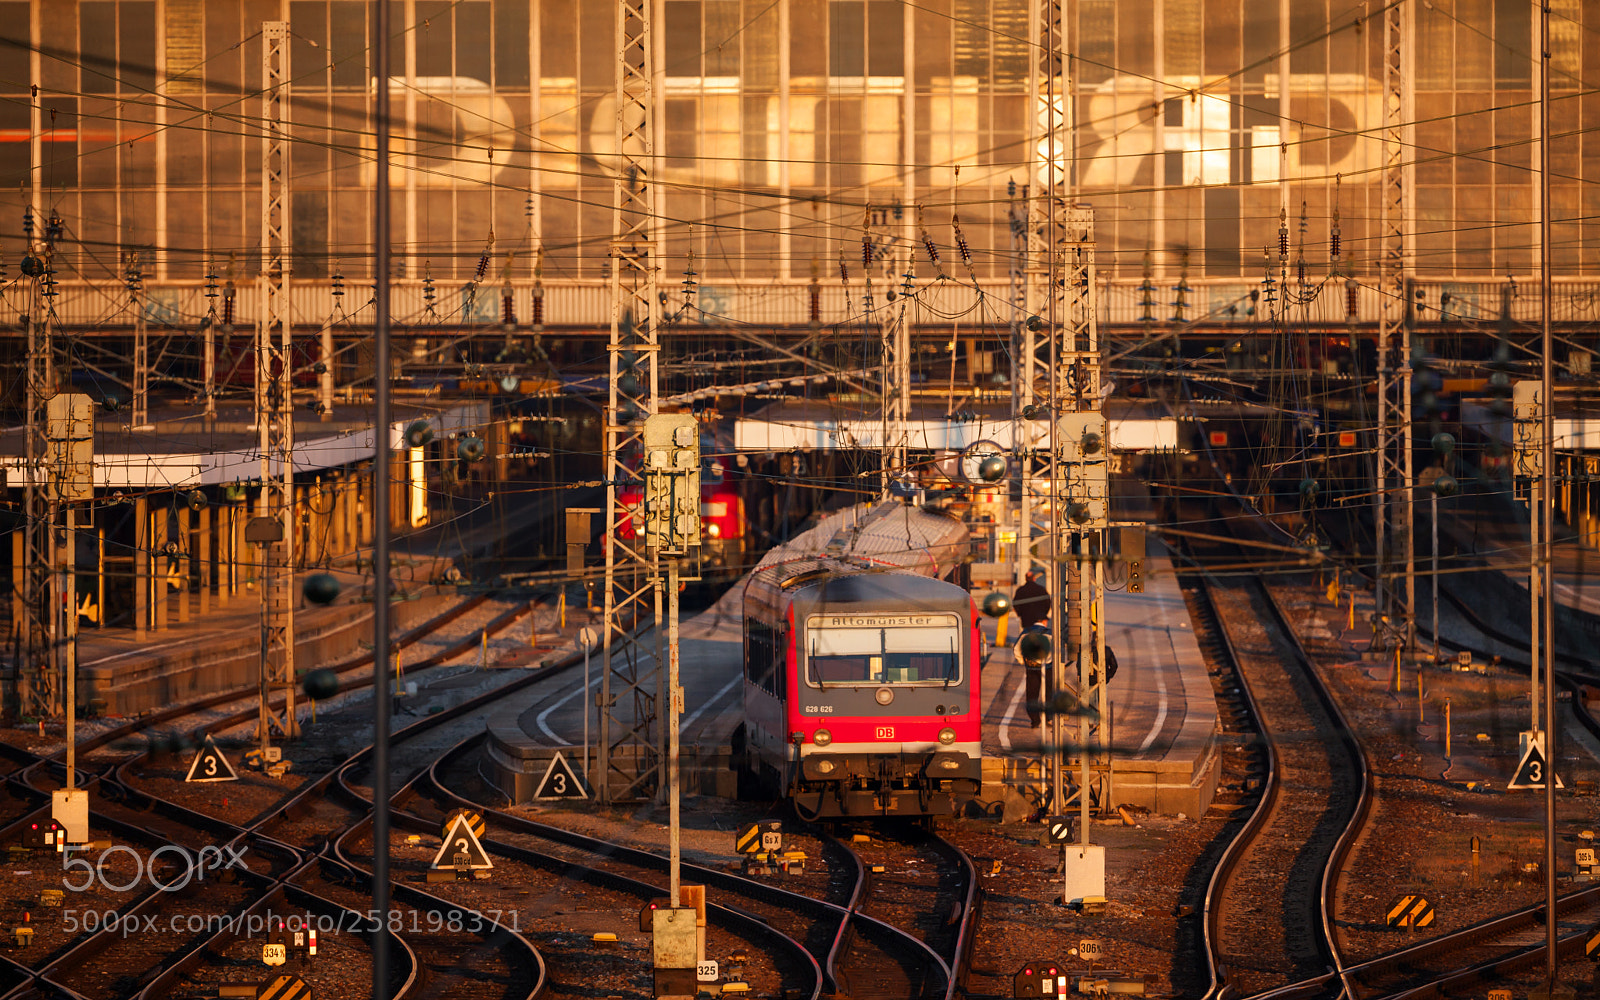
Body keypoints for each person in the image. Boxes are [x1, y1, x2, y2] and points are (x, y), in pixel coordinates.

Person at [1012, 572, 1051, 727]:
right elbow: (1048, 602)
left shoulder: (1021, 591)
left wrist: (1023, 660)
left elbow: (1016, 605)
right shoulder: (1042, 590)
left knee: (1032, 691)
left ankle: (1035, 720)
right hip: (1048, 666)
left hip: (1028, 624)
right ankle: (1048, 717)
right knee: (1049, 691)